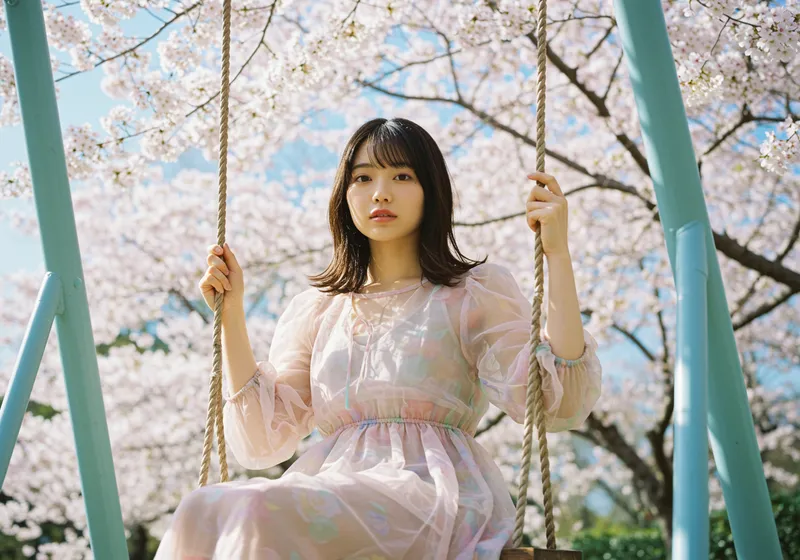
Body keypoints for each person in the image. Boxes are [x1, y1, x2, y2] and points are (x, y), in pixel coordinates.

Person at [154, 117, 602, 559]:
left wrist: (557, 256)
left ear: (432, 191)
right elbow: (261, 441)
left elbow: (554, 402)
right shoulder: (319, 309)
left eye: (402, 176)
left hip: (429, 493)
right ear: (344, 194)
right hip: (333, 488)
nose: (380, 192)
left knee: (257, 508)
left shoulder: (471, 293)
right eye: (363, 177)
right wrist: (231, 316)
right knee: (200, 508)